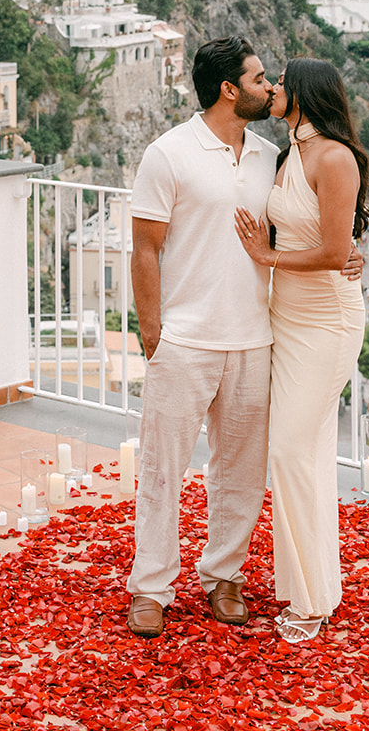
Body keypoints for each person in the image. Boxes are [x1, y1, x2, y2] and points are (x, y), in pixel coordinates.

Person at [125, 35, 279, 638]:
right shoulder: (168, 153)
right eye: (260, 78)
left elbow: (299, 228)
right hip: (184, 339)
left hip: (253, 337)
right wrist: (153, 332)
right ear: (229, 89)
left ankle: (224, 575)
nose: (270, 86)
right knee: (162, 468)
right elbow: (145, 248)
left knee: (241, 470)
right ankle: (150, 587)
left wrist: (344, 254)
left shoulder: (269, 156)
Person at [235, 57, 369, 643]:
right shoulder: (289, 154)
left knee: (290, 450)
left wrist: (267, 258)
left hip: (326, 323)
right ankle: (314, 587)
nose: (273, 89)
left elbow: (336, 253)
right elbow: (309, 232)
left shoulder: (334, 158)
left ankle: (312, 599)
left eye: (283, 83)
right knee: (306, 452)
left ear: (305, 94)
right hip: (285, 318)